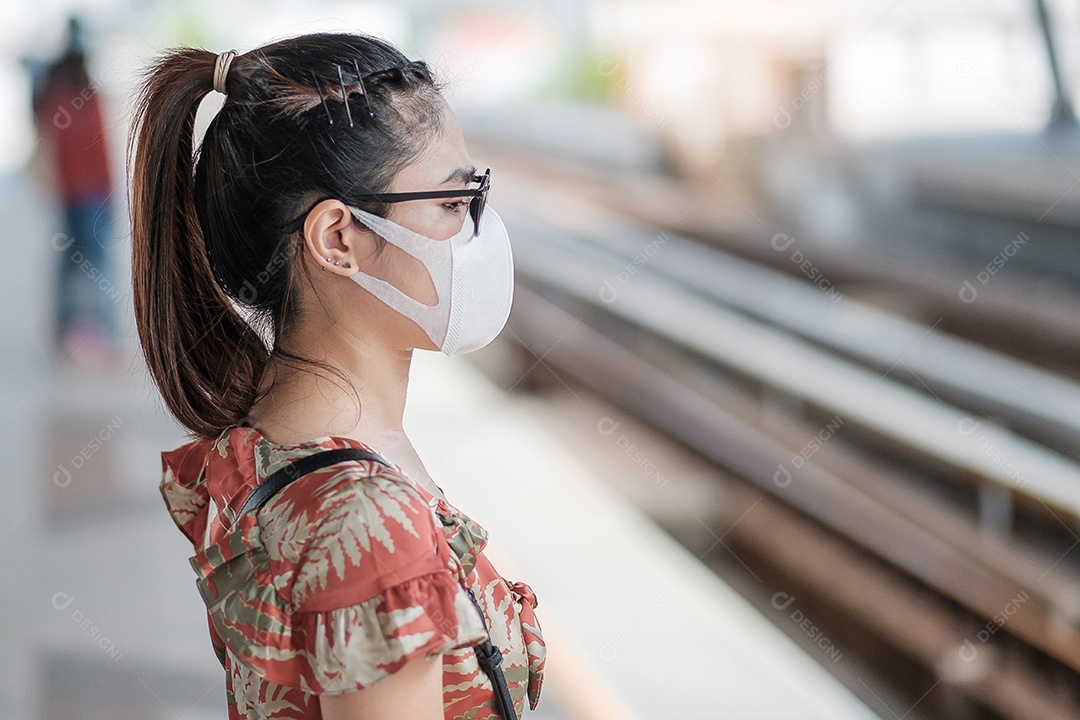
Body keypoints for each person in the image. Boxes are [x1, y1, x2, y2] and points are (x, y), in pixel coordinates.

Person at [128, 33, 544, 719]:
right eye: (452, 203)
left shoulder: (260, 441)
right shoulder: (373, 524)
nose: (479, 228)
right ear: (338, 239)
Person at [32, 15, 122, 364]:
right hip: (91, 193)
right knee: (96, 266)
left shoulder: (55, 93)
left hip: (74, 193)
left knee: (72, 265)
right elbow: (99, 150)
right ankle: (104, 334)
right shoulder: (85, 95)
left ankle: (67, 331)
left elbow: (51, 143)